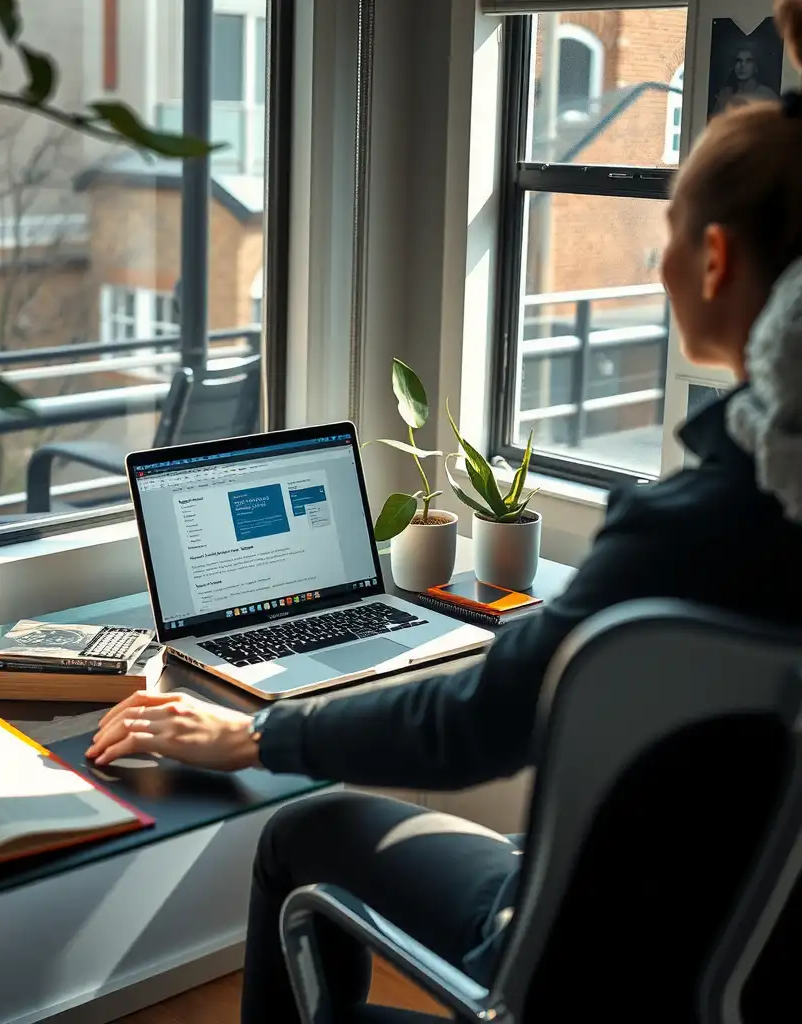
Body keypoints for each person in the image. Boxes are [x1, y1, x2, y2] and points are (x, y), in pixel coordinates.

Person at [87, 2, 802, 1019]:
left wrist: (254, 735)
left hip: (573, 966)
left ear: (717, 260)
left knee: (298, 833)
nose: (657, 266)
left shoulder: (681, 534)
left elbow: (476, 725)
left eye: (667, 236)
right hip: (724, 960)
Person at [713, 44, 780, 115]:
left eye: (748, 61)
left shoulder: (766, 94)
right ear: (733, 66)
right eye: (738, 60)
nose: (742, 65)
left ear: (756, 67)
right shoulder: (725, 92)